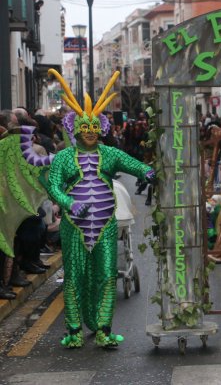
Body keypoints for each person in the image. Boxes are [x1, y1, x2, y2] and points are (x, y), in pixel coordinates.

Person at [46, 69, 154, 348]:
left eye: (95, 128)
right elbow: (54, 186)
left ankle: (103, 329)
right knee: (74, 276)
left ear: (101, 128)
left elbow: (134, 165)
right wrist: (70, 202)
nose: (91, 133)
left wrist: (148, 171)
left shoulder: (109, 154)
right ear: (76, 128)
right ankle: (73, 330)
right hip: (74, 226)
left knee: (106, 275)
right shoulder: (64, 158)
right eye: (85, 128)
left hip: (105, 225)